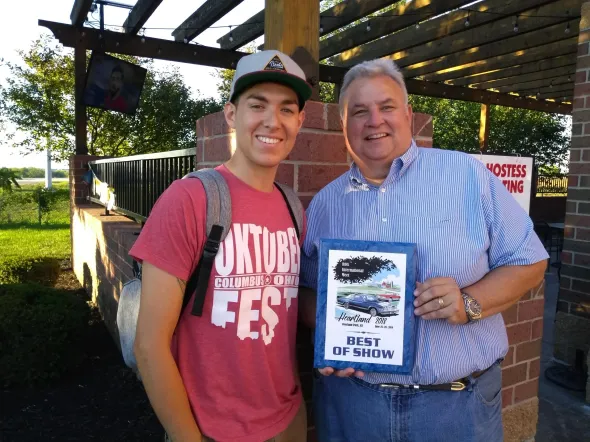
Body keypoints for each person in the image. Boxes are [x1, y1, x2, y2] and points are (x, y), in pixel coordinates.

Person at [298, 59, 548, 442]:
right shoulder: (327, 204)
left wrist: (469, 303)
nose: (374, 120)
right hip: (354, 406)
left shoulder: (465, 175)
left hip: (457, 408)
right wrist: (336, 335)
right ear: (343, 124)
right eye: (359, 111)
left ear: (409, 114)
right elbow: (307, 295)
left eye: (387, 107)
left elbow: (529, 260)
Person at [129, 50, 312, 442]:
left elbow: (283, 321)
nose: (272, 121)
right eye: (257, 105)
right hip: (212, 430)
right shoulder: (190, 200)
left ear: (300, 121)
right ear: (232, 115)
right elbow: (149, 346)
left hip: (287, 420)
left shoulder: (293, 207)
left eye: (286, 109)